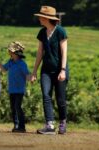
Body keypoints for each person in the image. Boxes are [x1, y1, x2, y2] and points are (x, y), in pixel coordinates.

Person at [31, 6, 69, 134]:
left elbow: (64, 52)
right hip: (46, 70)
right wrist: (34, 71)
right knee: (46, 95)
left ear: (47, 18)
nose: (39, 19)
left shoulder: (60, 31)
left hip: (59, 70)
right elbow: (40, 52)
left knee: (60, 99)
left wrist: (63, 70)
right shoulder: (42, 32)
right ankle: (50, 125)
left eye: (41, 17)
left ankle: (63, 122)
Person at [0, 41, 30, 133]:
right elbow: (4, 69)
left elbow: (27, 75)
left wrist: (31, 78)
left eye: (11, 51)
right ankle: (16, 125)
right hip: (12, 90)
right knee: (13, 108)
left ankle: (22, 126)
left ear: (16, 53)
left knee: (18, 107)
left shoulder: (22, 64)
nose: (9, 52)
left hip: (19, 90)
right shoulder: (10, 62)